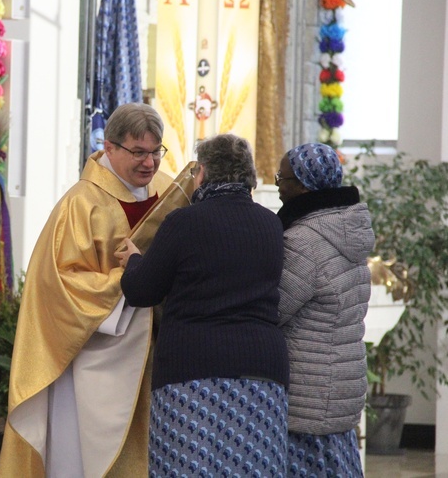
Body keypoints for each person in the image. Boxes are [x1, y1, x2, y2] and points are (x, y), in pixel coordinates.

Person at [0, 102, 174, 477]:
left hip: (157, 348)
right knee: (83, 458)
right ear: (109, 148)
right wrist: (131, 279)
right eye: (138, 153)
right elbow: (62, 283)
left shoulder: (166, 191)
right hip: (95, 356)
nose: (149, 164)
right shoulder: (81, 203)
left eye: (156, 152)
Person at [116, 133, 290, 478]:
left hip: (194, 370)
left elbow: (142, 290)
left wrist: (134, 261)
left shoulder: (184, 223)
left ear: (204, 173)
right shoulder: (271, 224)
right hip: (262, 370)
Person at [275, 142, 374, 477]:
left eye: (282, 177)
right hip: (340, 382)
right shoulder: (347, 229)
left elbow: (273, 309)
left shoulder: (304, 241)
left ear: (303, 185)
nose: (276, 183)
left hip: (310, 389)